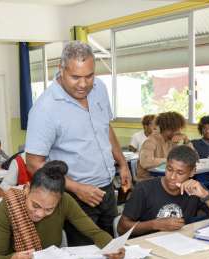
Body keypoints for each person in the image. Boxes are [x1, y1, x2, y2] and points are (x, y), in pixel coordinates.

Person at [25, 41, 132, 246]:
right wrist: (77, 188)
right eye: (75, 77)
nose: (83, 84)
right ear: (61, 69)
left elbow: (105, 128)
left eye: (89, 76)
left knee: (111, 248)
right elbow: (33, 163)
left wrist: (122, 163)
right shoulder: (45, 108)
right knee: (85, 256)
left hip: (107, 189)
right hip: (74, 198)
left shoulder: (99, 88)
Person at [0, 161, 125, 259]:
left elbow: (95, 233)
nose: (40, 214)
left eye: (49, 209)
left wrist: (113, 247)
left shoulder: (65, 201)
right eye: (35, 205)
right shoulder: (9, 205)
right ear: (27, 189)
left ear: (59, 200)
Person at [118, 146, 209, 236]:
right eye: (169, 169)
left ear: (192, 172)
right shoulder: (144, 189)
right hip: (146, 248)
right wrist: (154, 224)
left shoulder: (195, 190)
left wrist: (205, 195)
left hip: (178, 245)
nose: (172, 177)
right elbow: (121, 228)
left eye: (180, 173)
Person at [137, 111, 193, 181]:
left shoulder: (171, 142)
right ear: (167, 128)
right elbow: (145, 163)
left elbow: (192, 158)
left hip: (164, 179)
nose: (179, 131)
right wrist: (170, 161)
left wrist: (186, 140)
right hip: (148, 181)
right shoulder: (151, 141)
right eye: (177, 128)